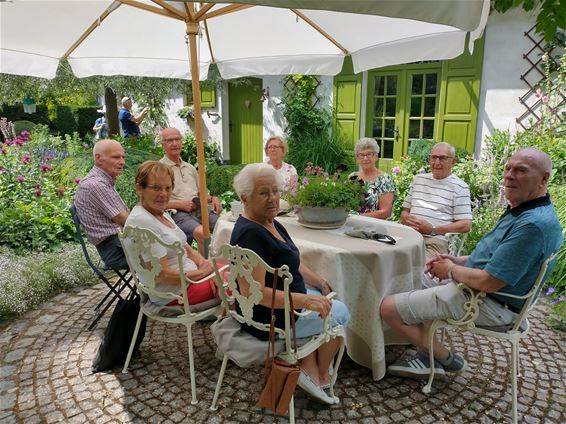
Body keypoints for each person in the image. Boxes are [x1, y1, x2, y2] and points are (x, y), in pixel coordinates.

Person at [381, 148, 563, 380]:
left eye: (521, 171)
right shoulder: (527, 210)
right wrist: (457, 260)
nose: (509, 175)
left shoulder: (532, 226)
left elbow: (490, 281)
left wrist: (451, 270)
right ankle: (422, 349)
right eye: (508, 168)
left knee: (387, 306)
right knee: (402, 280)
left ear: (544, 178)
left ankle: (445, 359)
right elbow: (497, 259)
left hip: (488, 302)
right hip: (479, 290)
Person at [231, 163, 351, 405]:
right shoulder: (251, 235)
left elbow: (290, 260)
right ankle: (319, 373)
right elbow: (253, 293)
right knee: (342, 313)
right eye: (264, 193)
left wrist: (317, 282)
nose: (273, 198)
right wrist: (306, 299)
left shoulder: (269, 221)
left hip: (286, 304)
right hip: (271, 319)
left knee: (326, 296)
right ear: (245, 199)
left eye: (275, 191)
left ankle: (309, 365)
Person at [123, 161, 217, 310]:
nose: (164, 194)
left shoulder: (160, 214)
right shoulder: (142, 222)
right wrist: (202, 274)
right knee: (237, 280)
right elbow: (163, 276)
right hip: (175, 294)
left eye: (168, 188)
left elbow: (187, 248)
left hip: (190, 280)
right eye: (156, 188)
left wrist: (207, 268)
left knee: (231, 270)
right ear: (139, 188)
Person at [400, 142, 472, 260]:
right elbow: (404, 212)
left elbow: (465, 225)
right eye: (434, 157)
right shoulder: (419, 180)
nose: (437, 162)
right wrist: (408, 220)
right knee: (387, 259)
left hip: (434, 241)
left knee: (420, 270)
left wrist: (433, 230)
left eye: (442, 158)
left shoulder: (460, 187)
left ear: (453, 162)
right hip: (409, 235)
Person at [159, 127, 222, 252]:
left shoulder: (189, 168)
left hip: (199, 208)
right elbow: (155, 203)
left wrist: (213, 198)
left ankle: (223, 265)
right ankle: (204, 269)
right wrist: (180, 204)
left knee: (224, 226)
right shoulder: (159, 169)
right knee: (202, 234)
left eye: (177, 139)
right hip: (177, 214)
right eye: (170, 140)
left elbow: (201, 194)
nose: (175, 143)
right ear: (163, 145)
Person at [74, 139, 129, 269]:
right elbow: (125, 219)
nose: (122, 162)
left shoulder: (103, 181)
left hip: (120, 244)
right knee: (167, 253)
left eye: (123, 157)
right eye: (116, 157)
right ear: (98, 159)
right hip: (117, 251)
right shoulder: (96, 185)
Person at [349, 137, 396, 219]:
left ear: (376, 156)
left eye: (369, 154)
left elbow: (385, 212)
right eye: (361, 155)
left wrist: (357, 217)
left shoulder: (385, 179)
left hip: (374, 227)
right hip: (349, 223)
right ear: (357, 158)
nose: (365, 158)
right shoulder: (352, 177)